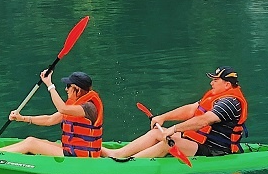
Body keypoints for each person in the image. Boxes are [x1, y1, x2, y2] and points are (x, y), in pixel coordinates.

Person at [101, 67, 247, 161]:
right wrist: (163, 117)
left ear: (227, 84)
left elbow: (204, 120)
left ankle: (129, 163)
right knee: (156, 133)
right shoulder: (215, 96)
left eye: (215, 80)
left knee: (169, 143)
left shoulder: (230, 102)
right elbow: (191, 109)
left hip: (216, 151)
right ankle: (117, 154)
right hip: (198, 141)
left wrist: (174, 128)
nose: (211, 83)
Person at [0, 70, 104, 157]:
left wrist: (50, 85)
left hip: (80, 157)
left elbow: (62, 109)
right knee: (30, 140)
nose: (66, 89)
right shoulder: (75, 106)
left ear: (78, 89)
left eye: (68, 86)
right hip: (72, 150)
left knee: (31, 143)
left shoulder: (88, 107)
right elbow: (50, 120)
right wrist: (22, 118)